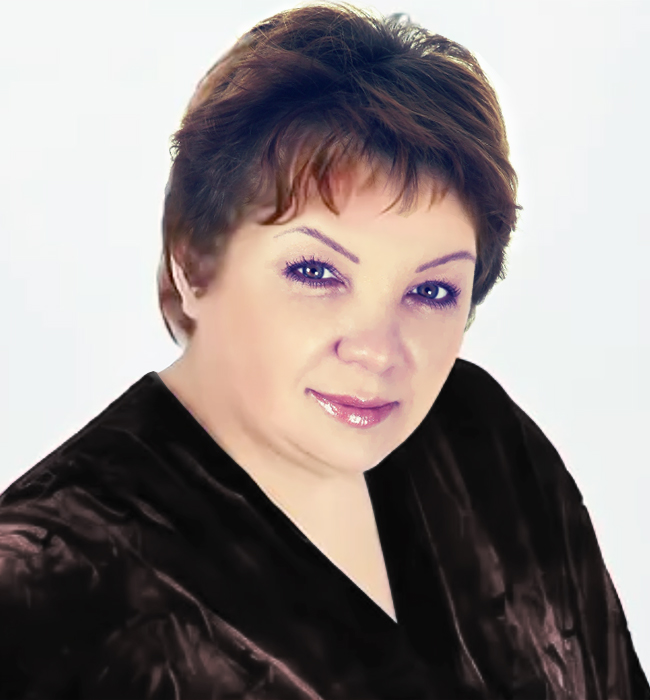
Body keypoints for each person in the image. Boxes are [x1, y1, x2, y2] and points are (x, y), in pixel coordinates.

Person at [0, 3, 647, 698]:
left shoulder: (480, 438)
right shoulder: (41, 586)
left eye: (431, 291)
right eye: (315, 272)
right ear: (192, 262)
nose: (377, 351)